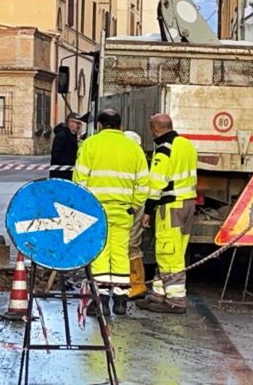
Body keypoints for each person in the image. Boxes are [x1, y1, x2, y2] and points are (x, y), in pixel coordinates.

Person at [73, 109, 149, 316]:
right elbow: (144, 183)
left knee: (100, 253)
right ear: (120, 125)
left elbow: (80, 180)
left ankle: (101, 302)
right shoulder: (133, 148)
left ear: (100, 125)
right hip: (124, 211)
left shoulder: (90, 144)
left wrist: (84, 206)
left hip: (97, 210)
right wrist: (135, 205)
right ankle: (121, 300)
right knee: (121, 253)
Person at [136, 113, 198, 314]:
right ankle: (158, 295)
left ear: (154, 129)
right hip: (188, 203)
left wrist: (148, 210)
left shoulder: (164, 148)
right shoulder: (186, 145)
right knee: (174, 251)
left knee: (168, 252)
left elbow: (157, 183)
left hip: (171, 206)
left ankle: (175, 300)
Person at [124, 130, 149, 300]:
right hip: (129, 207)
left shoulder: (135, 160)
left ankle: (137, 284)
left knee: (131, 245)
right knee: (127, 246)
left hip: (132, 207)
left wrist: (134, 207)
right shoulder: (136, 159)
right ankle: (131, 283)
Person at [50, 112, 84, 180]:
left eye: (80, 123)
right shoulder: (62, 135)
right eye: (77, 123)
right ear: (70, 122)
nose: (79, 126)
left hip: (69, 174)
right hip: (61, 175)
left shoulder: (73, 135)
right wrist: (72, 162)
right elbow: (56, 155)